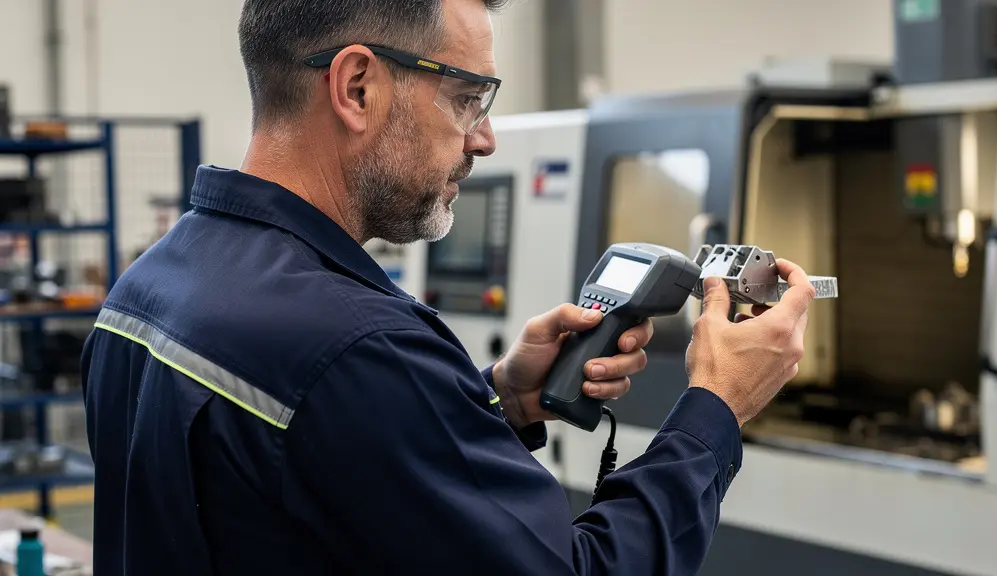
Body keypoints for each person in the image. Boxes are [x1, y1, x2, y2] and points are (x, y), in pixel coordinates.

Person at [80, 0, 816, 574]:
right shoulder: (358, 349)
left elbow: (319, 483)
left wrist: (495, 400)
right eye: (467, 97)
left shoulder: (147, 290)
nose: (484, 138)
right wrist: (716, 407)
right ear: (357, 86)